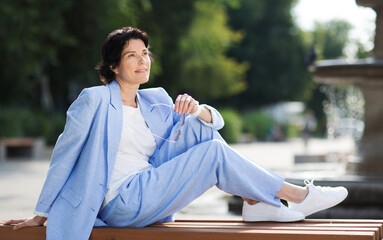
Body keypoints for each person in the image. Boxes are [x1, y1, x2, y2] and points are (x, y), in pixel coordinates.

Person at [4, 27, 348, 240]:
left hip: (149, 185)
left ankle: (255, 201)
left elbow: (214, 127)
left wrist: (197, 108)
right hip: (119, 200)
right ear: (113, 66)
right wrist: (43, 211)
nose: (143, 61)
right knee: (212, 154)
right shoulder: (93, 100)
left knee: (201, 129)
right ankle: (298, 195)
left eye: (145, 54)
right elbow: (65, 153)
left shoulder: (156, 99)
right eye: (132, 56)